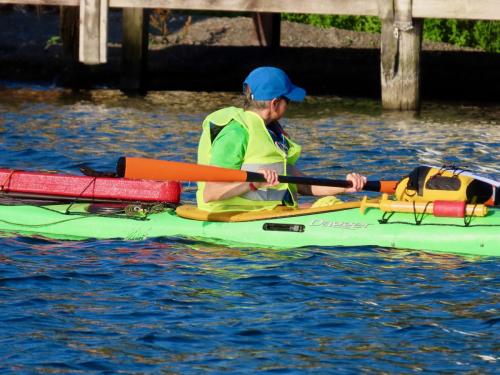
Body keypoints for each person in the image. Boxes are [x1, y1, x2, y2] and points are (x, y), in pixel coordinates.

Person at [196, 66, 366, 212]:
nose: (289, 105)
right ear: (275, 103)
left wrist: (346, 186)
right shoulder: (235, 133)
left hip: (270, 214)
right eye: (288, 101)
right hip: (231, 219)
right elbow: (211, 192)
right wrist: (253, 183)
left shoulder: (271, 133)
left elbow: (305, 186)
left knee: (330, 205)